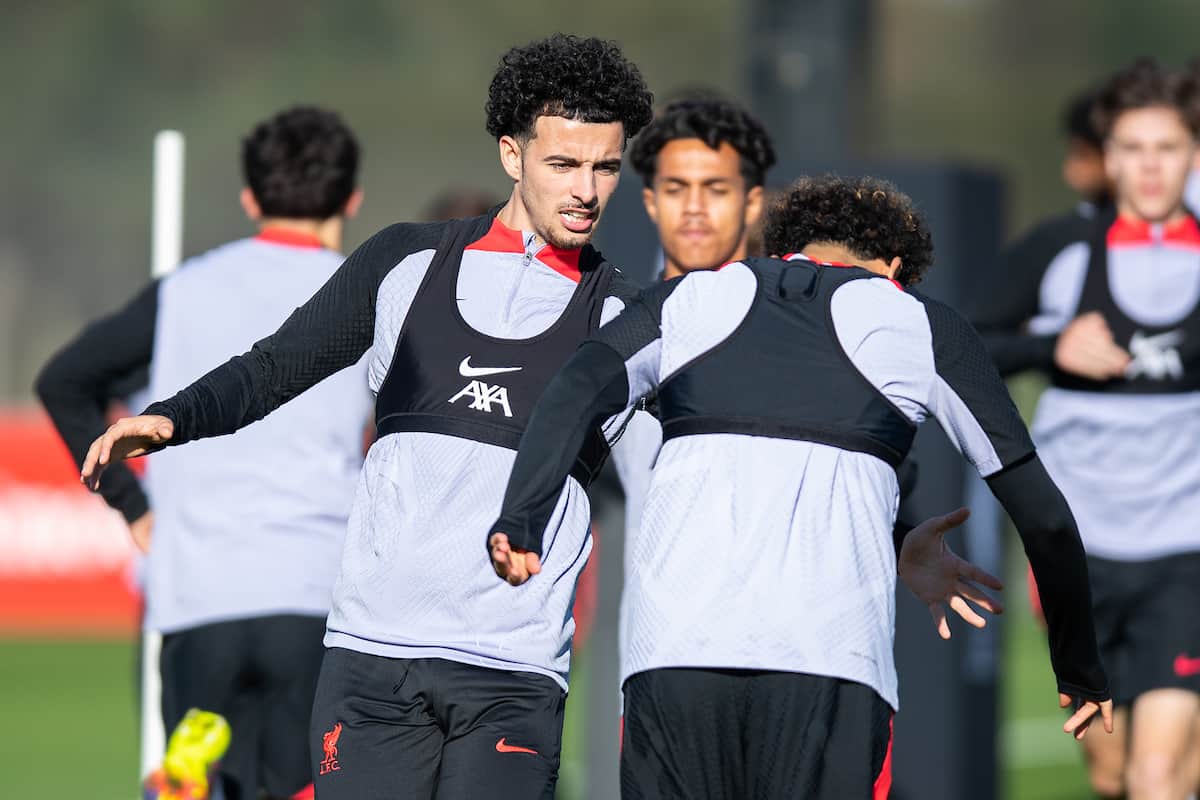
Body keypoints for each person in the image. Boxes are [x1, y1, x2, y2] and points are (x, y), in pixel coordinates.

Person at [81, 34, 654, 799]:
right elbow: (278, 364)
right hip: (371, 663)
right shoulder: (404, 264)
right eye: (563, 164)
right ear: (512, 156)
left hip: (513, 675)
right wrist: (173, 418)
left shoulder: (626, 315)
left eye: (604, 167)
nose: (585, 189)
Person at [489, 174, 1113, 799]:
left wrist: (521, 518)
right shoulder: (918, 322)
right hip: (830, 665)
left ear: (782, 247)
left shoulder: (685, 299)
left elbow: (572, 389)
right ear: (895, 267)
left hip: (672, 658)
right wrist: (1080, 667)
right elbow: (1045, 517)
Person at [36, 106, 369, 799]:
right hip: (318, 595)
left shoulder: (182, 292)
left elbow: (64, 381)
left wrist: (131, 505)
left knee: (195, 785)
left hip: (198, 598)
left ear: (250, 197)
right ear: (352, 198)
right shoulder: (367, 295)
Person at [973, 58, 1200, 799]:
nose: (1150, 167)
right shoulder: (1058, 252)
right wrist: (1051, 345)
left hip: (1184, 553)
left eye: (1167, 148)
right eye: (1133, 149)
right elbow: (967, 347)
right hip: (1083, 554)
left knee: (1157, 776)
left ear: (1192, 156)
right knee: (1112, 774)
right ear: (1107, 159)